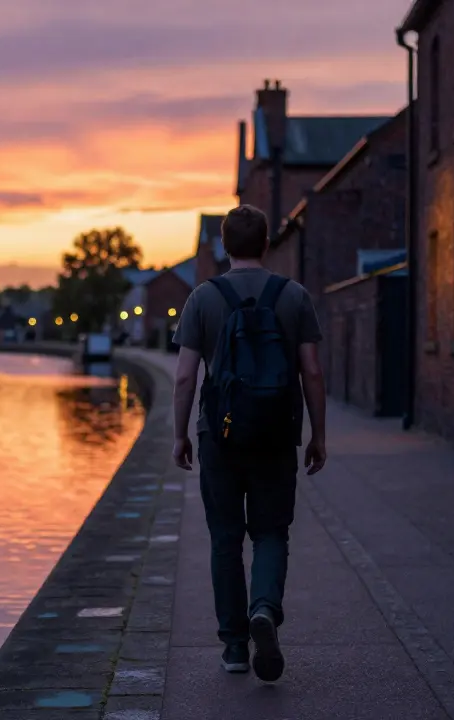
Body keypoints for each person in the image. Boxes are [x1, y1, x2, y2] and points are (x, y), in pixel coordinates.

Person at [170, 204, 327, 682]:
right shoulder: (293, 295)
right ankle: (264, 607)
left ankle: (235, 647)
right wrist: (318, 434)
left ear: (224, 245)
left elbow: (183, 378)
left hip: (219, 435)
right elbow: (312, 372)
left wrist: (180, 435)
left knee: (224, 539)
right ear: (265, 244)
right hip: (277, 435)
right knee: (271, 532)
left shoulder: (203, 297)